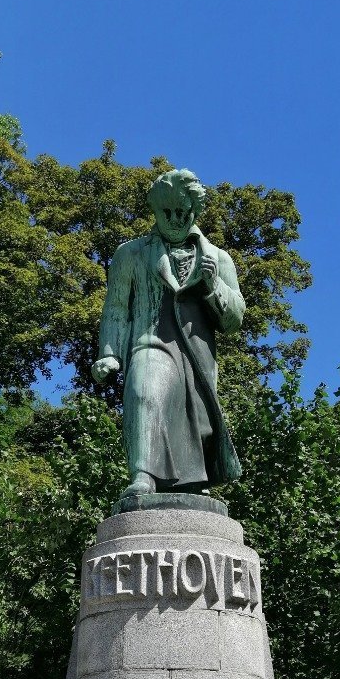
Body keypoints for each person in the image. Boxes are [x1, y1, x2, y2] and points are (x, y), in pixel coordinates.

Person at [92, 169, 246, 499]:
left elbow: (234, 320)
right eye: (167, 212)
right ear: (155, 210)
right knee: (143, 392)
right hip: (150, 341)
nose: (175, 219)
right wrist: (109, 352)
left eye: (183, 212)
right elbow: (117, 307)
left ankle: (193, 483)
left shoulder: (218, 258)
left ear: (196, 210)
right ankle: (143, 475)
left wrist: (213, 285)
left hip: (197, 356)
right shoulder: (130, 254)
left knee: (195, 417)